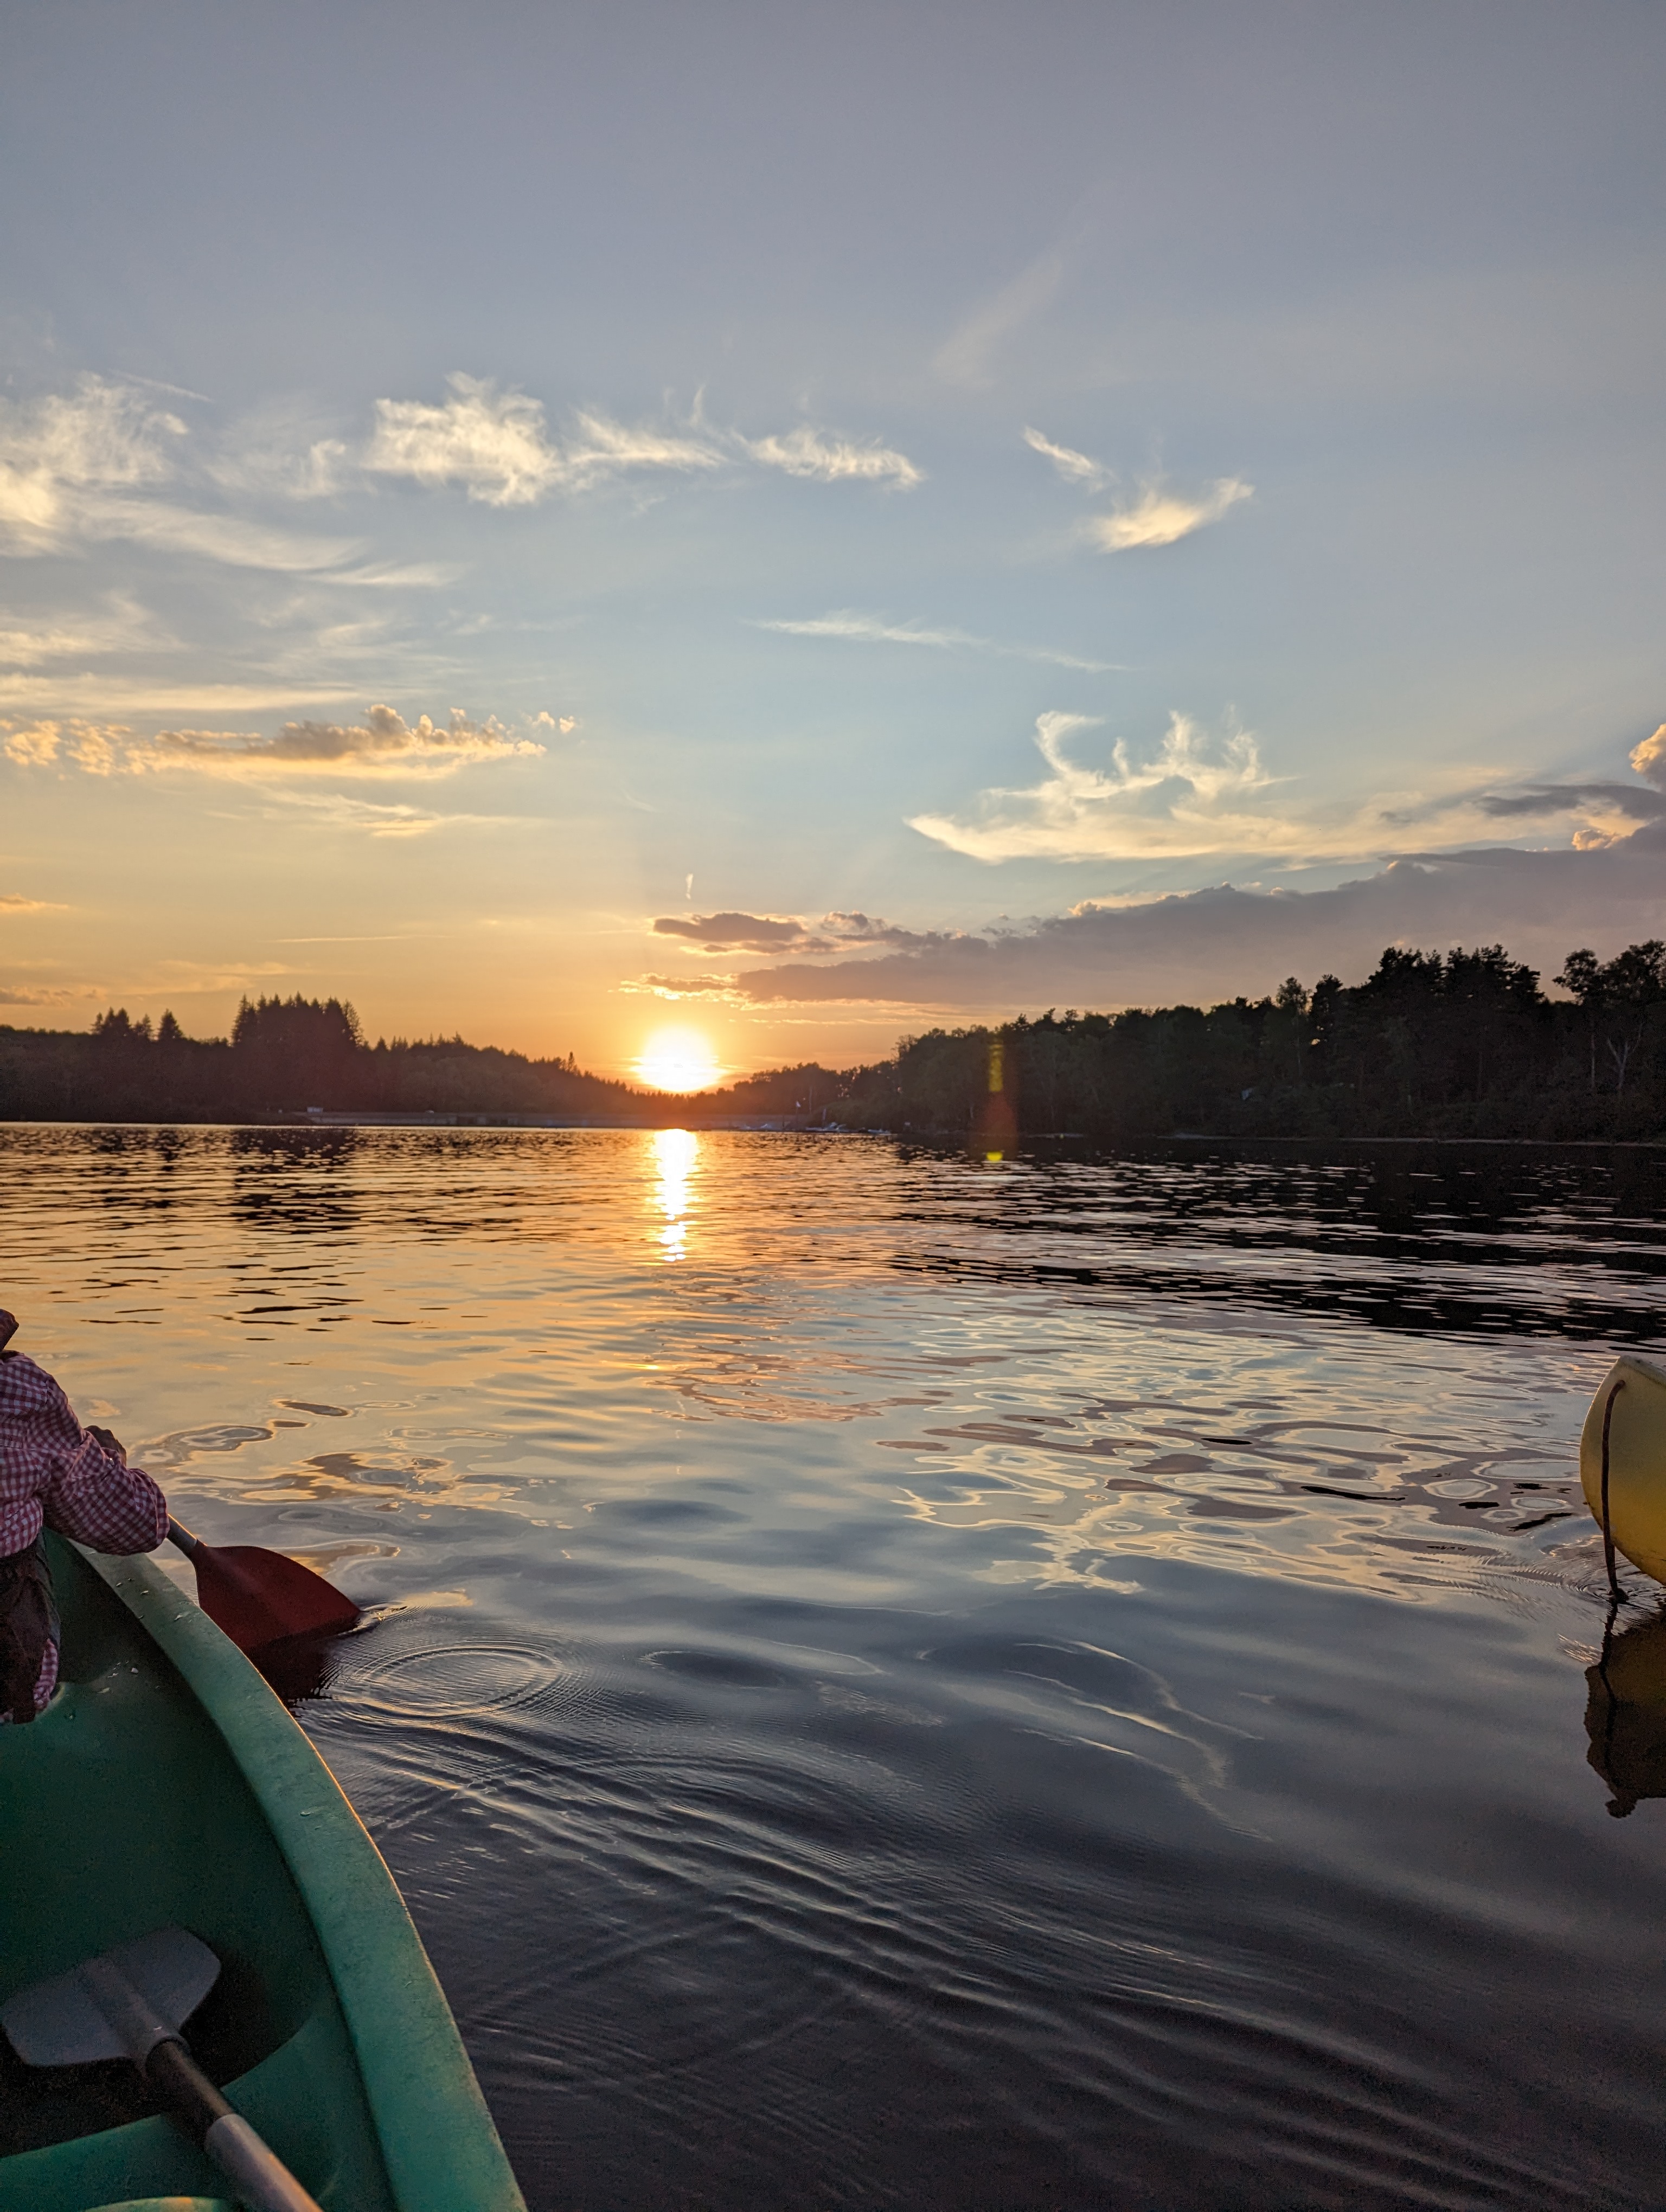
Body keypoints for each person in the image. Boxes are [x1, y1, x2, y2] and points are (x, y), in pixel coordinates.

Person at [0, 1308, 169, 1723]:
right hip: (6, 1692)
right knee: (37, 1505)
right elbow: (139, 1526)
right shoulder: (15, 1388)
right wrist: (103, 1458)